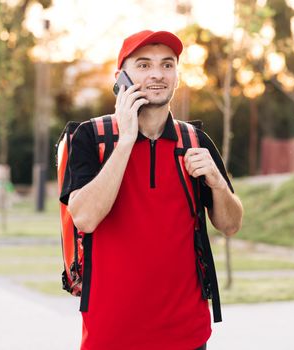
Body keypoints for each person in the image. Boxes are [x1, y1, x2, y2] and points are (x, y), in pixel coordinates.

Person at [60, 30, 243, 350]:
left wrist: (215, 181)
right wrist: (126, 140)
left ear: (177, 75)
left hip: (187, 335)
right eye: (143, 65)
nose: (157, 74)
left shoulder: (195, 142)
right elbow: (85, 218)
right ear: (121, 78)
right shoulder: (90, 137)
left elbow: (231, 224)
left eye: (167, 65)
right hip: (111, 335)